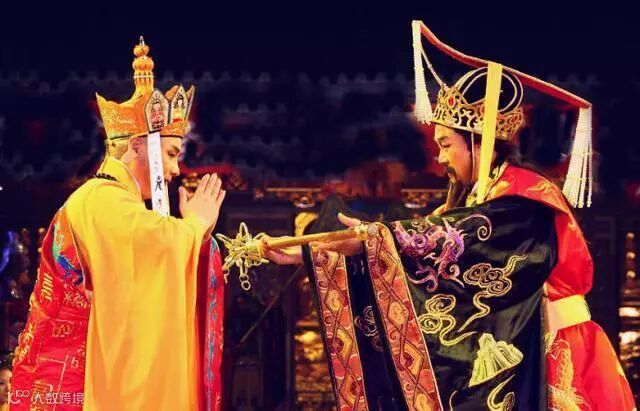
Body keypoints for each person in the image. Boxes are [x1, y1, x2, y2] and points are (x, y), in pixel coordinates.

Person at [263, 21, 635, 410]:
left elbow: (447, 237)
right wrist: (310, 253)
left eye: (445, 144)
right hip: (525, 350)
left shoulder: (525, 200)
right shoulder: (476, 198)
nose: (440, 158)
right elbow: (427, 244)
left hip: (556, 352)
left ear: (477, 143)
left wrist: (376, 238)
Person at [10, 38, 226, 410]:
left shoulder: (112, 202)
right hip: (69, 379)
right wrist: (194, 225)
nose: (175, 169)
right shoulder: (102, 200)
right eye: (170, 154)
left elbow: (153, 246)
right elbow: (155, 246)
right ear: (137, 146)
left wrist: (195, 235)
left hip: (77, 370)